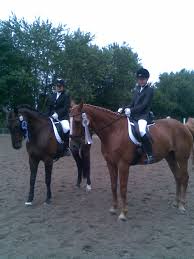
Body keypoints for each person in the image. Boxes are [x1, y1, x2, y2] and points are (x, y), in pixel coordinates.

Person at [118, 68, 154, 164]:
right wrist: (123, 108)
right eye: (139, 79)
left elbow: (144, 105)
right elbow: (132, 104)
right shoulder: (136, 89)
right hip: (134, 116)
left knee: (141, 131)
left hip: (143, 116)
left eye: (143, 79)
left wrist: (131, 110)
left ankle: (150, 154)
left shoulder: (150, 90)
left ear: (146, 79)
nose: (141, 81)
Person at [46, 78, 71, 156]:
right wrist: (46, 116)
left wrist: (57, 114)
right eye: (57, 86)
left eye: (60, 86)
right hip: (51, 117)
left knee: (66, 128)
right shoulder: (52, 96)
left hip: (62, 117)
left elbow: (65, 108)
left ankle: (66, 148)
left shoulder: (66, 96)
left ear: (63, 87)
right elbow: (49, 108)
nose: (58, 87)